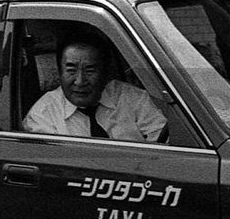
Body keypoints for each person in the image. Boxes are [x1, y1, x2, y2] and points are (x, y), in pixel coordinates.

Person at [23, 31, 166, 142]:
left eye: (90, 70)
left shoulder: (133, 99)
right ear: (59, 73)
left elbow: (166, 143)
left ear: (105, 73)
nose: (80, 81)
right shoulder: (43, 115)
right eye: (71, 70)